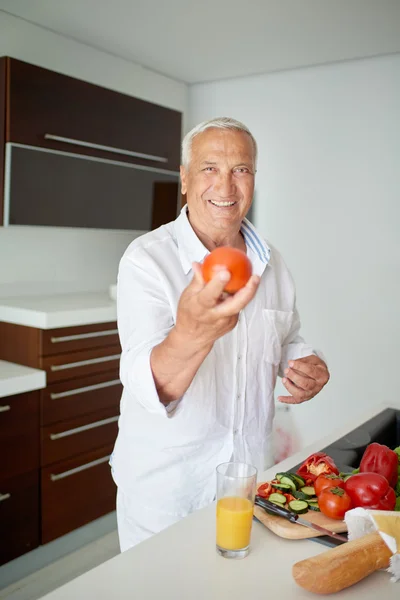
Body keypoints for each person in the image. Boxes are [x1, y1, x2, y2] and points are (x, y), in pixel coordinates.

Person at [110, 117, 330, 552]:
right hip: (167, 492)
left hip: (246, 483)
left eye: (241, 170)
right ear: (185, 180)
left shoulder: (274, 263)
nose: (226, 187)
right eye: (210, 168)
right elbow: (148, 385)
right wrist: (191, 334)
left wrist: (304, 362)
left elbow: (286, 336)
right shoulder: (147, 261)